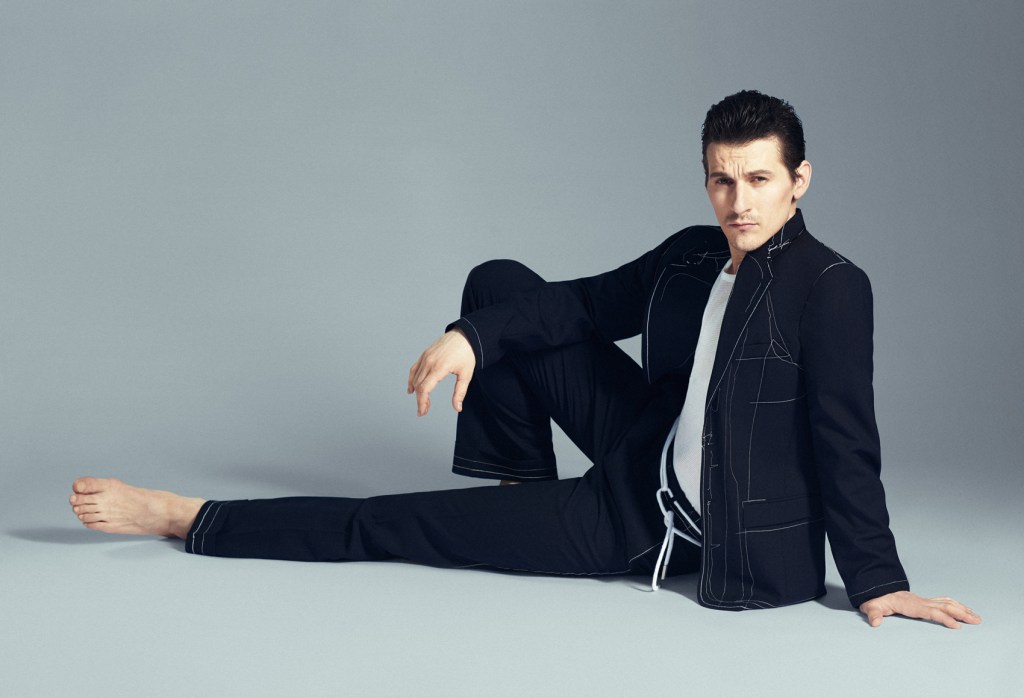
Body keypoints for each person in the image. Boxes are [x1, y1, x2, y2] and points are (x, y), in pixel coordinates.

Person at [68, 91, 979, 629]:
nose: (738, 202)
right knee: (498, 291)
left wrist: (880, 581)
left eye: (760, 180)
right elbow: (582, 304)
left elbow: (845, 440)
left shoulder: (832, 287)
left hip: (664, 524)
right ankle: (520, 487)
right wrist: (469, 336)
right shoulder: (694, 253)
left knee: (396, 523)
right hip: (646, 445)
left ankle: (193, 518)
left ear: (799, 181)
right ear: (707, 177)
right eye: (722, 179)